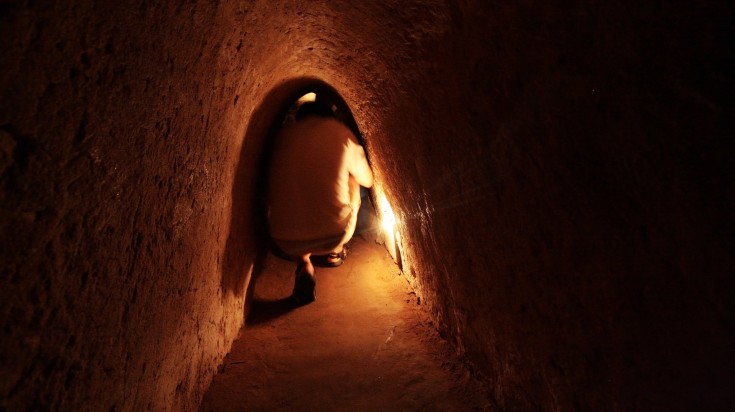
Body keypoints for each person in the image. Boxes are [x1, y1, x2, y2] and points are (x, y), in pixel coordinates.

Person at [267, 100, 374, 304]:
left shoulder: (283, 136)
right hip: (332, 235)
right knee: (353, 179)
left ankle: (304, 262)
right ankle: (335, 252)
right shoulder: (341, 134)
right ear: (330, 117)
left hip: (284, 239)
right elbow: (368, 180)